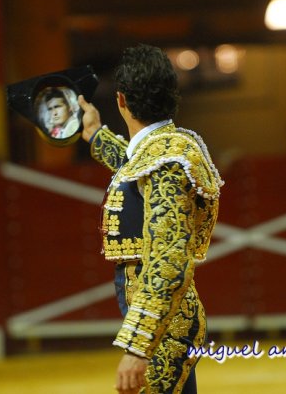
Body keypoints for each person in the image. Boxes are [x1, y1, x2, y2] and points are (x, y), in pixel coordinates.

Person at [79, 44, 224, 394]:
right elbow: (136, 169)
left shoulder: (167, 159)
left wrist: (139, 346)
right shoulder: (164, 150)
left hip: (163, 320)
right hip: (162, 314)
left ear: (121, 101)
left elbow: (170, 259)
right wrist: (97, 135)